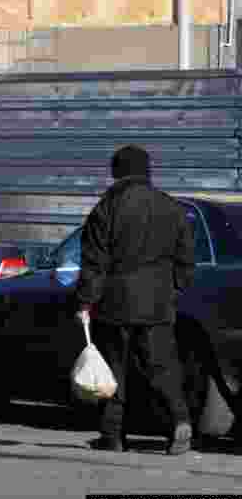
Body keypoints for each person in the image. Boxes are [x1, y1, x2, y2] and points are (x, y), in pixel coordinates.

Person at [75, 144, 196, 455]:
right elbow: (185, 259)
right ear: (147, 171)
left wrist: (85, 301)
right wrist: (174, 290)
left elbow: (94, 262)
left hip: (114, 304)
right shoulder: (171, 207)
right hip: (158, 305)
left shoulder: (107, 208)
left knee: (113, 371)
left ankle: (112, 436)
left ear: (117, 172)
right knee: (162, 368)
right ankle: (179, 421)